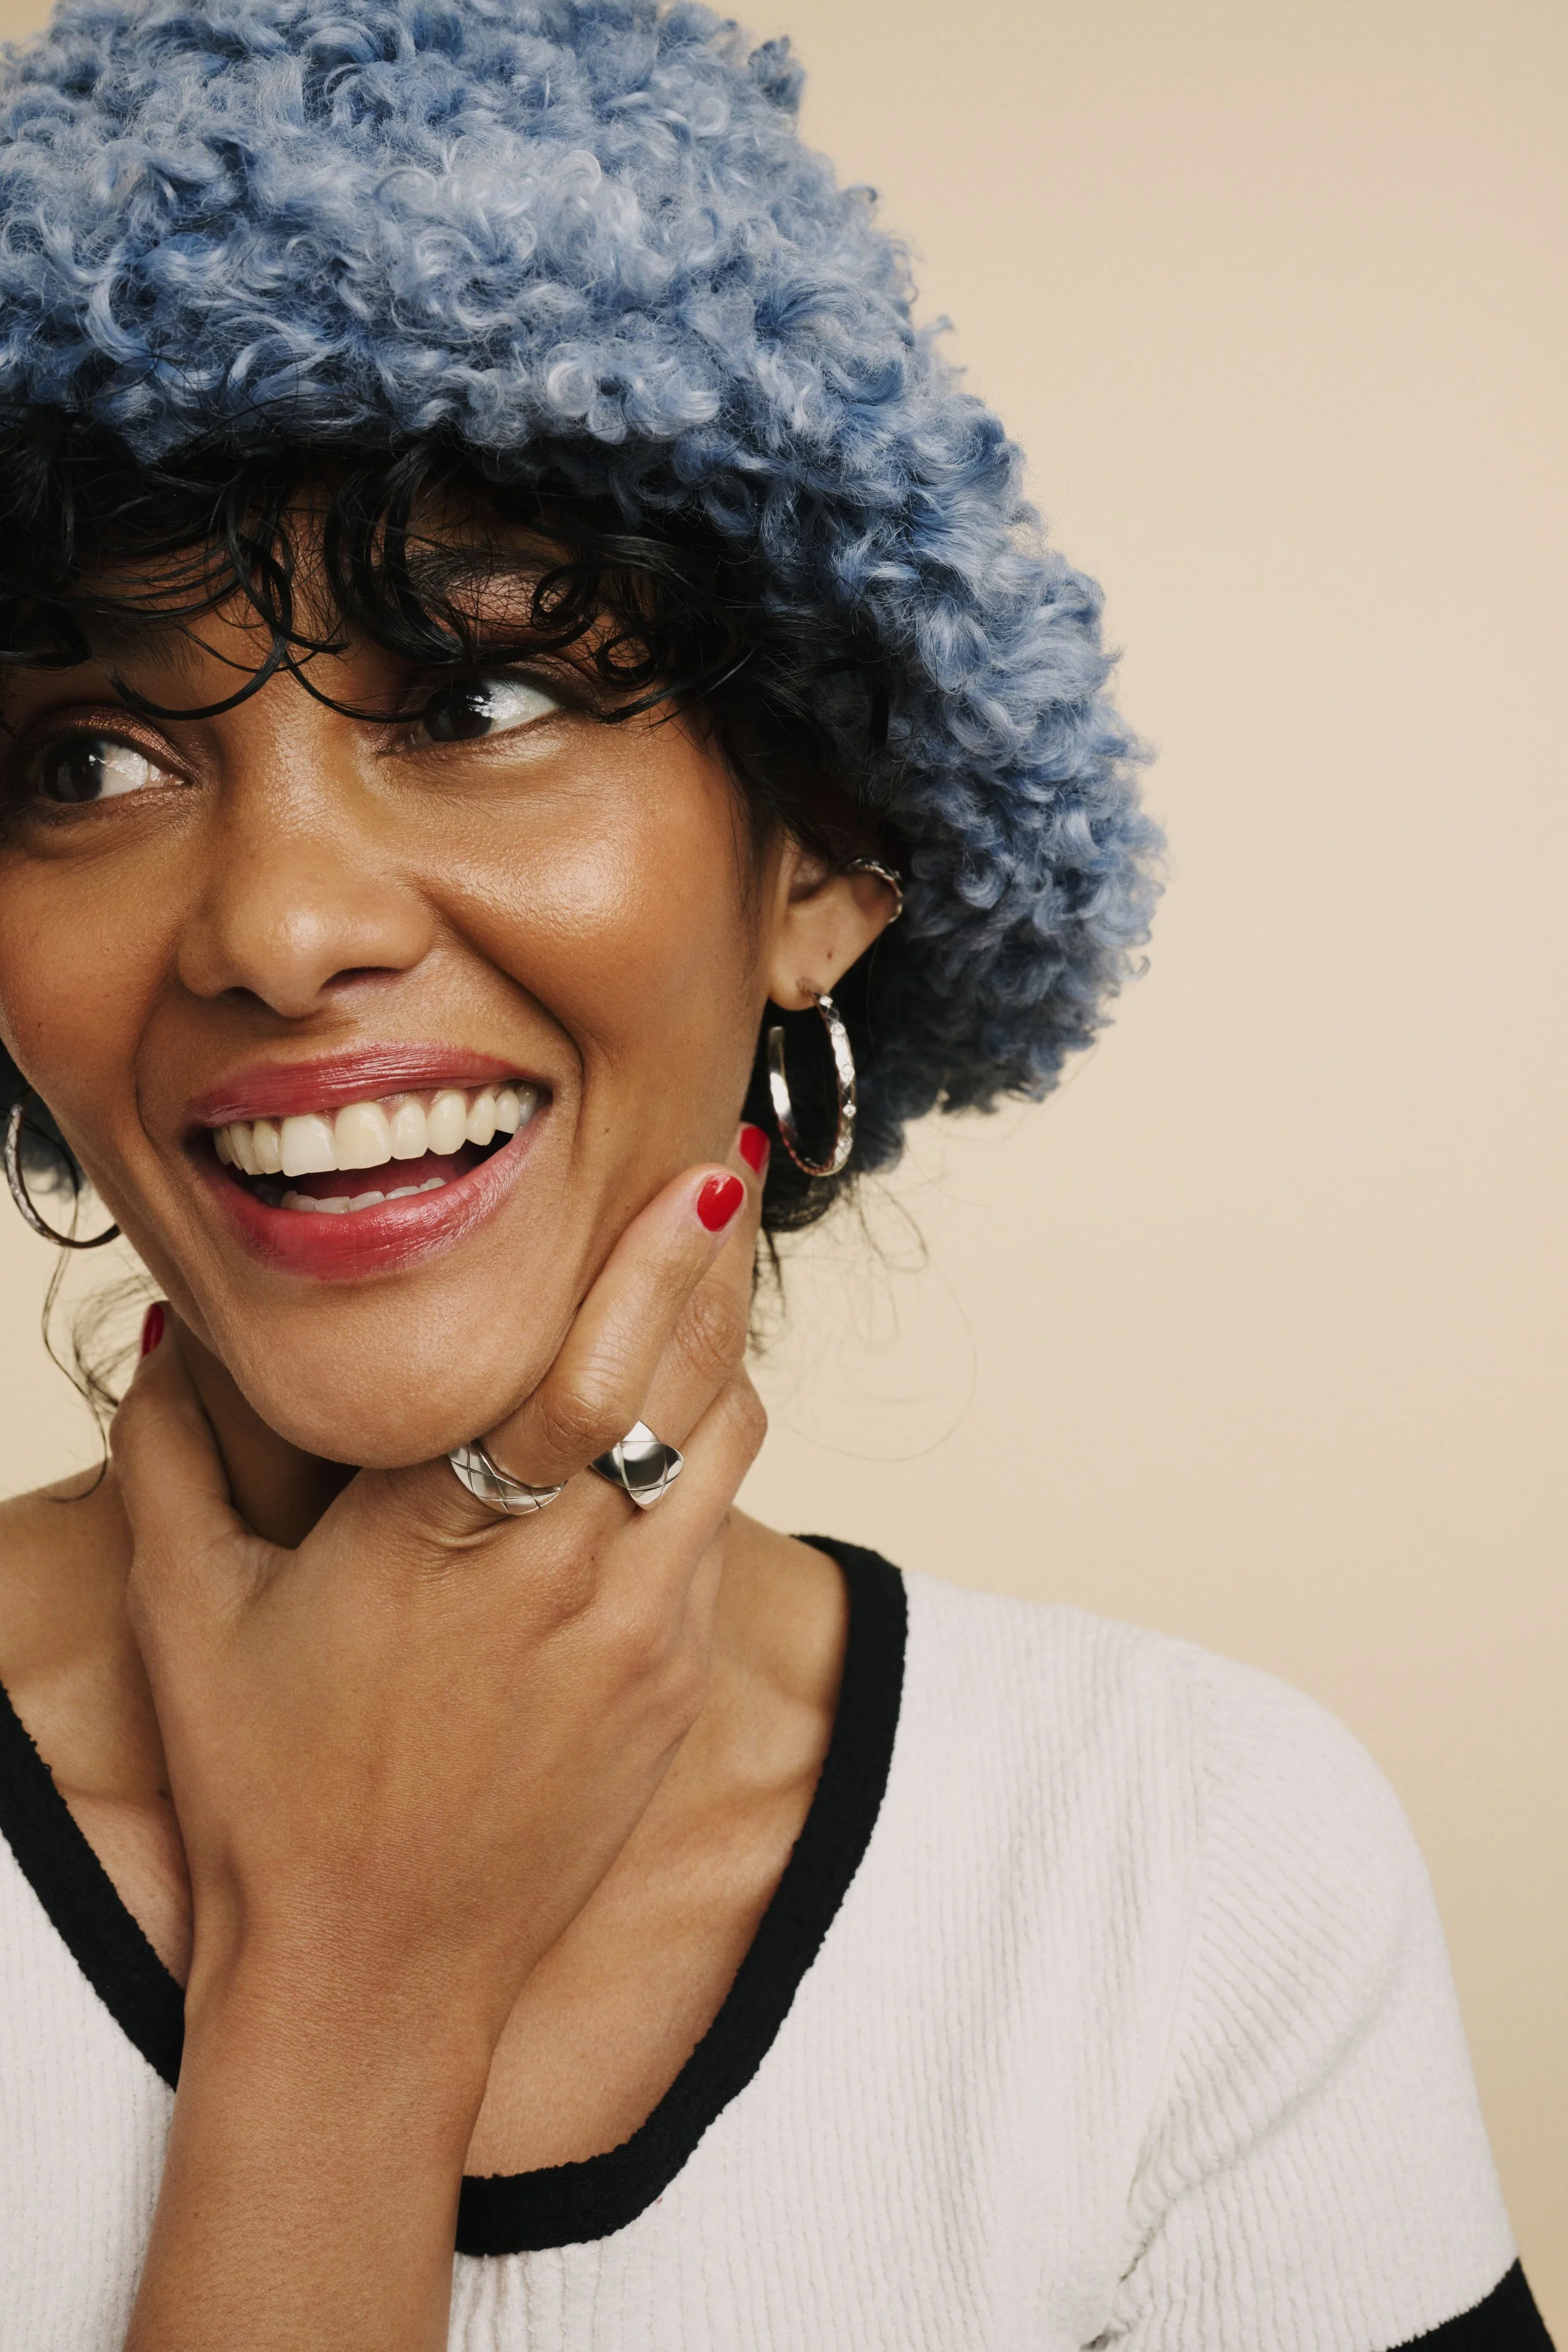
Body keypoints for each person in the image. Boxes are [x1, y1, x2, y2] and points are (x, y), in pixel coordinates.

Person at [0, 2, 1549, 2346]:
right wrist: (347, 1980)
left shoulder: (1186, 1868)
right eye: (88, 754)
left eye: (484, 698)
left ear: (824, 846)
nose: (279, 925)